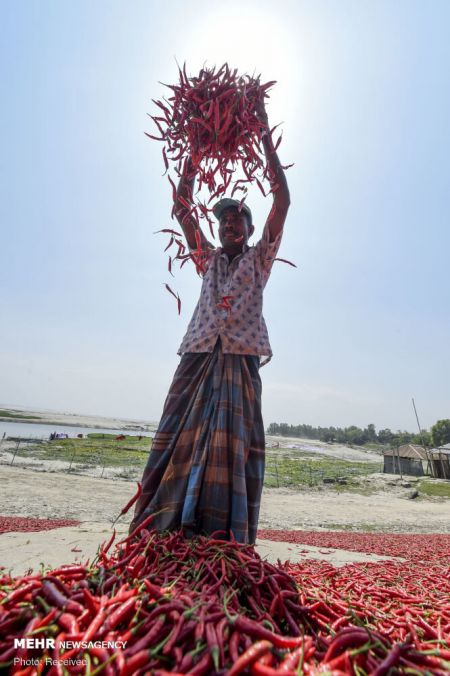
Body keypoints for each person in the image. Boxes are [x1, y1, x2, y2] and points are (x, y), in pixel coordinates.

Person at [129, 100, 290, 544]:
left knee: (230, 448)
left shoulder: (260, 260)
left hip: (239, 361)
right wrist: (194, 153)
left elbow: (282, 200)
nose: (229, 225)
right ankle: (161, 530)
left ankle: (219, 537)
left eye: (237, 218)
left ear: (250, 227)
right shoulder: (207, 260)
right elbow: (182, 208)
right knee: (174, 434)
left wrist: (262, 137)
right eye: (223, 220)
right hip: (197, 357)